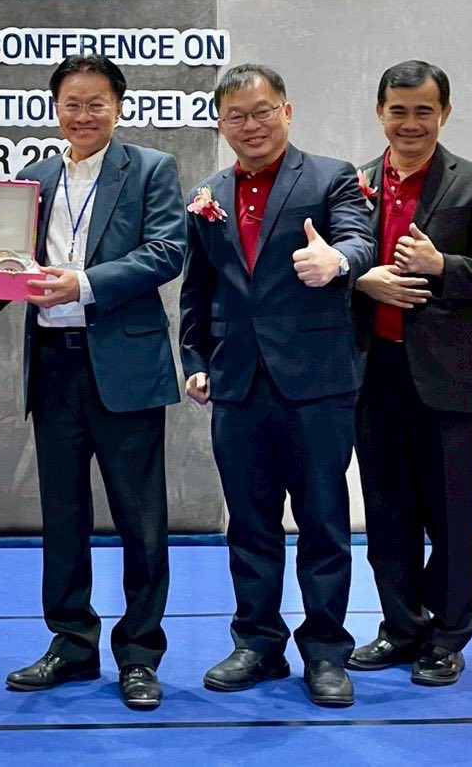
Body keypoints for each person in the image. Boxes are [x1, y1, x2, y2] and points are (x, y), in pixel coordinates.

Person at [178, 63, 375, 708]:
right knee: (249, 523)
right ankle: (257, 643)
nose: (251, 125)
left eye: (262, 111)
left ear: (286, 111)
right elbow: (199, 289)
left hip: (317, 382)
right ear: (220, 125)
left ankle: (326, 652)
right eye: (235, 116)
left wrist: (336, 260)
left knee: (323, 521)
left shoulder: (331, 177)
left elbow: (360, 240)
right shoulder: (206, 194)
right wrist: (196, 357)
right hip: (237, 384)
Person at [1, 54, 186, 711]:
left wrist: (82, 282)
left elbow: (166, 251)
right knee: (62, 515)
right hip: (54, 364)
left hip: (123, 366)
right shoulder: (34, 177)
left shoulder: (151, 169)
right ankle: (71, 643)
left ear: (118, 107)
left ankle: (139, 653)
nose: (82, 116)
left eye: (95, 103)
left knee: (141, 518)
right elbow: (11, 258)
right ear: (55, 109)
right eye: (71, 104)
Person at [347, 60, 472, 687]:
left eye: (423, 111)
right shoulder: (355, 183)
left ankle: (447, 636)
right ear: (380, 112)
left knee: (450, 516)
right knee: (386, 512)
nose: (410, 123)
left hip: (448, 379)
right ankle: (400, 627)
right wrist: (361, 281)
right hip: (373, 374)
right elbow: (338, 265)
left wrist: (442, 264)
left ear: (444, 113)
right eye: (398, 110)